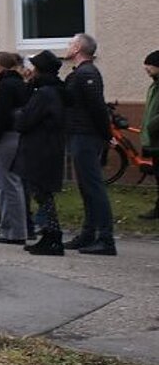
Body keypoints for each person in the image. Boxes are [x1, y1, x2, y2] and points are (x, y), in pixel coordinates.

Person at [61, 33, 116, 255]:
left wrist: (106, 134)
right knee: (86, 186)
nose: (67, 46)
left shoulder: (87, 74)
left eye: (70, 43)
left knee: (93, 186)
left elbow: (97, 108)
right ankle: (88, 233)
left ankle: (105, 238)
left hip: (86, 135)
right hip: (79, 133)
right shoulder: (80, 74)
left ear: (78, 49)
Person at [15, 50, 67, 255]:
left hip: (40, 148)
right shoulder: (53, 89)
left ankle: (52, 236)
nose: (31, 71)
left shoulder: (45, 93)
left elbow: (26, 120)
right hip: (48, 146)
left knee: (41, 193)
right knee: (42, 193)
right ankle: (50, 235)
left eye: (34, 68)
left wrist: (19, 115)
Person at [0, 52, 32, 243]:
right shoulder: (18, 84)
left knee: (6, 185)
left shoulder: (6, 87)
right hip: (14, 136)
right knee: (10, 184)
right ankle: (14, 228)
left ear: (2, 67)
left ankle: (13, 231)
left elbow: (0, 116)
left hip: (5, 138)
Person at [142, 51, 159, 221]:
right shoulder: (154, 86)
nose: (146, 68)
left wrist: (152, 125)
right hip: (154, 140)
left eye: (149, 65)